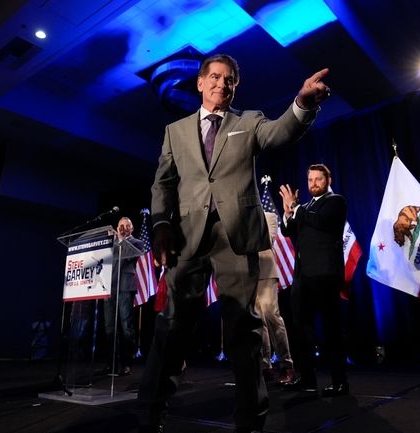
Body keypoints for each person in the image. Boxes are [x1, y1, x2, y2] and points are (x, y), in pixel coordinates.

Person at [138, 53, 331, 433]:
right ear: (199, 82)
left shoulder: (249, 121)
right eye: (214, 77)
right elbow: (162, 183)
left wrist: (303, 103)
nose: (221, 84)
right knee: (172, 328)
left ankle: (251, 423)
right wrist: (161, 222)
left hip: (238, 239)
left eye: (229, 80)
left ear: (235, 86)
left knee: (245, 333)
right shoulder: (174, 131)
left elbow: (281, 132)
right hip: (187, 241)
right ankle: (150, 416)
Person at [278, 164, 349, 397]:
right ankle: (307, 379)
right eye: (310, 179)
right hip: (303, 277)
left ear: (328, 180)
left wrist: (296, 208)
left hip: (326, 275)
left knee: (331, 329)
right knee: (300, 329)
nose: (313, 184)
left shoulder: (335, 201)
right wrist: (288, 212)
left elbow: (321, 221)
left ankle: (339, 382)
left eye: (318, 179)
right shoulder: (305, 207)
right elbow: (288, 231)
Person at [256, 212, 295, 384]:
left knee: (271, 316)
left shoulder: (269, 216)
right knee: (257, 321)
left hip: (265, 271)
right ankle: (265, 366)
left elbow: (266, 239)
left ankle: (286, 364)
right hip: (245, 275)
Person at [103, 217, 144, 376]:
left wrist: (119, 239)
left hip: (126, 288)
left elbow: (128, 255)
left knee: (126, 326)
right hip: (109, 287)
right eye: (121, 226)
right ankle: (111, 364)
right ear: (116, 227)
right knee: (109, 327)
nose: (124, 228)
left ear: (132, 228)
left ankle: (127, 363)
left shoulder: (136, 243)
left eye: (127, 226)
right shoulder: (111, 243)